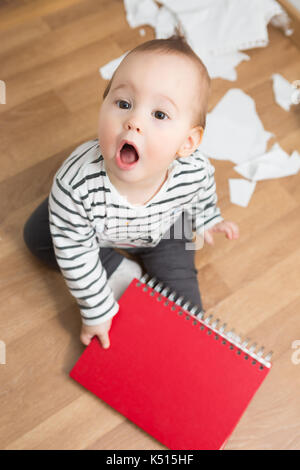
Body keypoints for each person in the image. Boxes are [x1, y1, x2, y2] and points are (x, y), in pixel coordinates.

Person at [23, 32, 239, 350]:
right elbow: (73, 250)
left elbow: (202, 189)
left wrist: (207, 218)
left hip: (165, 229)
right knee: (38, 236)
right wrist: (96, 310)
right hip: (98, 230)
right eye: (124, 103)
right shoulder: (76, 184)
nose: (133, 121)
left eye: (160, 114)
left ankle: (173, 309)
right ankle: (117, 269)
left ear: (187, 143)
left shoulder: (193, 170)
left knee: (185, 312)